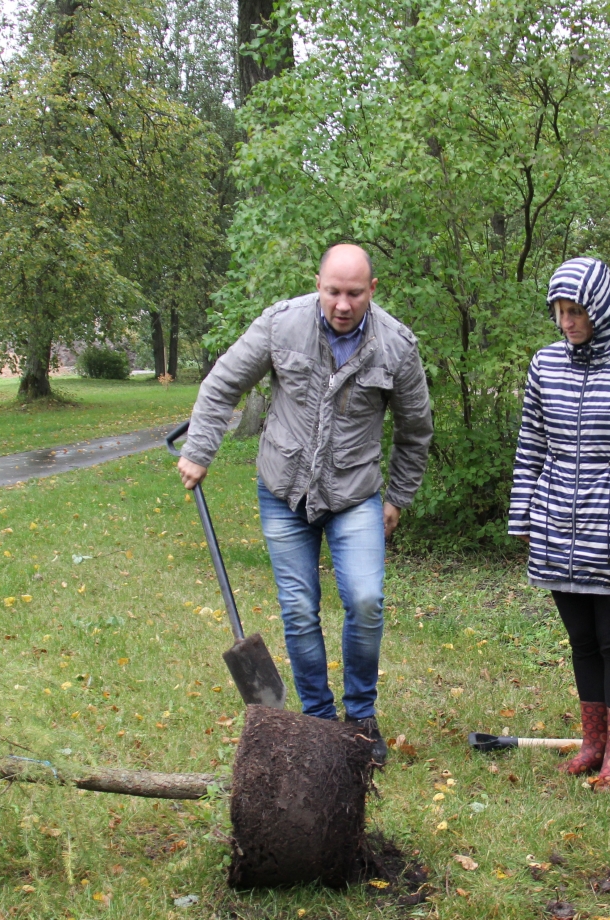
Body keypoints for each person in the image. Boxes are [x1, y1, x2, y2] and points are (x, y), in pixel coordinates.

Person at [176, 244, 433, 763]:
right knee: (298, 611)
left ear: (372, 291)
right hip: (283, 490)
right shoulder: (281, 325)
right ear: (318, 283)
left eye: (354, 293)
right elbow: (223, 384)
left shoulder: (397, 347)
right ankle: (318, 722)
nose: (342, 304)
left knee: (364, 601)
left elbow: (416, 429)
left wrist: (398, 498)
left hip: (354, 493)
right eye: (333, 291)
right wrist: (199, 450)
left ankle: (360, 719)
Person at [508, 257, 610, 792]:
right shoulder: (544, 365)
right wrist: (523, 515)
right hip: (558, 526)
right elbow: (531, 443)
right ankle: (591, 744)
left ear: (600, 308)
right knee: (581, 641)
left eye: (575, 310)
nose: (566, 321)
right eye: (558, 311)